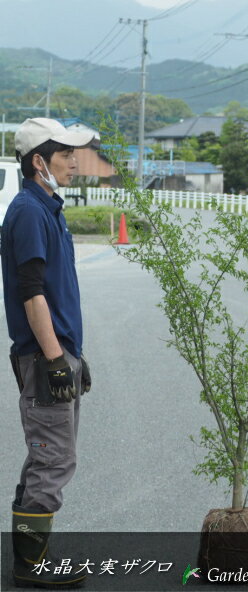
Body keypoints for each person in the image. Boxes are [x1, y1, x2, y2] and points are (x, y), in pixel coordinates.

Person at [1, 117, 94, 588]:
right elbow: (32, 293)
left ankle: (30, 554)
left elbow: (57, 296)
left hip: (56, 352)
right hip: (43, 358)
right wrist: (56, 359)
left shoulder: (47, 207)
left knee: (47, 456)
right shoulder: (29, 212)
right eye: (65, 156)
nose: (75, 164)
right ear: (39, 161)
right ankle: (30, 565)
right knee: (53, 458)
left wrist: (73, 354)